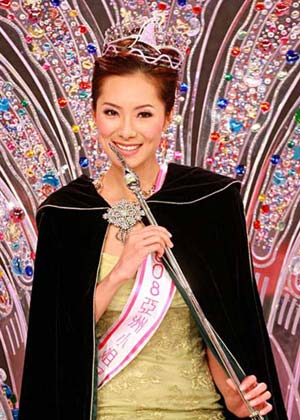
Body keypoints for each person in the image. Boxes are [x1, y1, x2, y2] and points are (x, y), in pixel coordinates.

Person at [19, 16, 287, 420]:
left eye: (144, 114)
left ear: (167, 116)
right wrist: (120, 272)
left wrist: (235, 396)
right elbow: (53, 340)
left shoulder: (207, 203)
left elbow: (217, 320)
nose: (126, 131)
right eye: (112, 112)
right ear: (93, 113)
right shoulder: (66, 214)